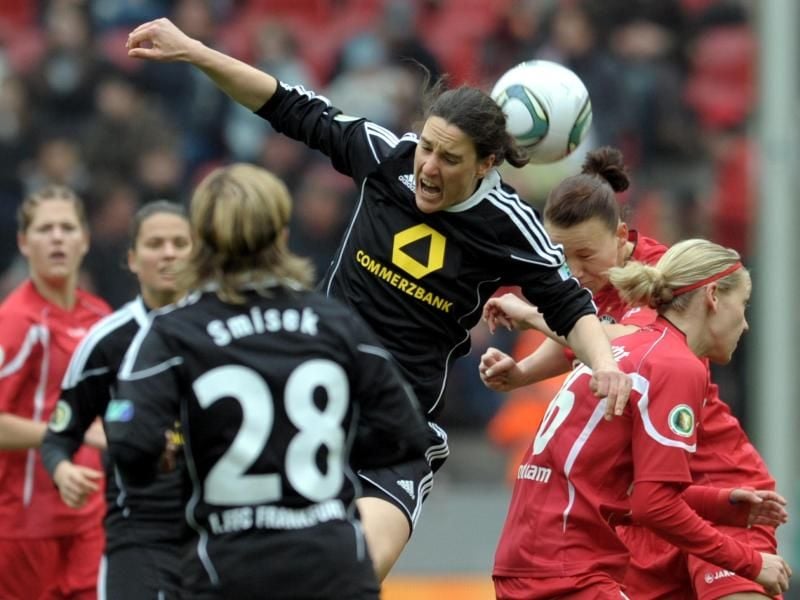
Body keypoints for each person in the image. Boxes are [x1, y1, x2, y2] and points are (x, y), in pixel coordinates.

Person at [123, 18, 633, 580]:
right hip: (313, 407)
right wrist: (195, 51)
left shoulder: (510, 227)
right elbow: (286, 105)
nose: (428, 168)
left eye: (449, 158)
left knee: (351, 572)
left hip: (397, 429)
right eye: (428, 148)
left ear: (487, 165)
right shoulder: (388, 157)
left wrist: (605, 364)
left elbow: (569, 306)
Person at [104, 163, 432, 599]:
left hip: (228, 568)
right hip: (334, 569)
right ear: (281, 235)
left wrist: (182, 456)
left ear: (199, 241)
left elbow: (127, 441)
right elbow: (407, 432)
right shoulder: (336, 323)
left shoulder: (171, 332)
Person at [481, 147, 786, 599]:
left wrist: (530, 316)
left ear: (621, 236)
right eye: (563, 259)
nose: (576, 271)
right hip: (641, 497)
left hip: (704, 479)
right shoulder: (607, 305)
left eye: (586, 254)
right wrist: (522, 372)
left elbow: (614, 342)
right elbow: (597, 340)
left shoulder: (667, 279)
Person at [40, 200, 193, 599]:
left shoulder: (224, 331)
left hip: (217, 529)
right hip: (140, 530)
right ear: (132, 258)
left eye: (180, 242)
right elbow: (60, 434)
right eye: (155, 243)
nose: (169, 253)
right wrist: (62, 472)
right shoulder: (106, 341)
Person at [0, 185, 111, 600]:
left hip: (87, 520)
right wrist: (73, 433)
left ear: (84, 239)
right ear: (23, 243)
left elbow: (116, 409)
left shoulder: (100, 317)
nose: (58, 238)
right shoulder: (15, 321)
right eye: (45, 229)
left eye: (67, 228)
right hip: (23, 526)